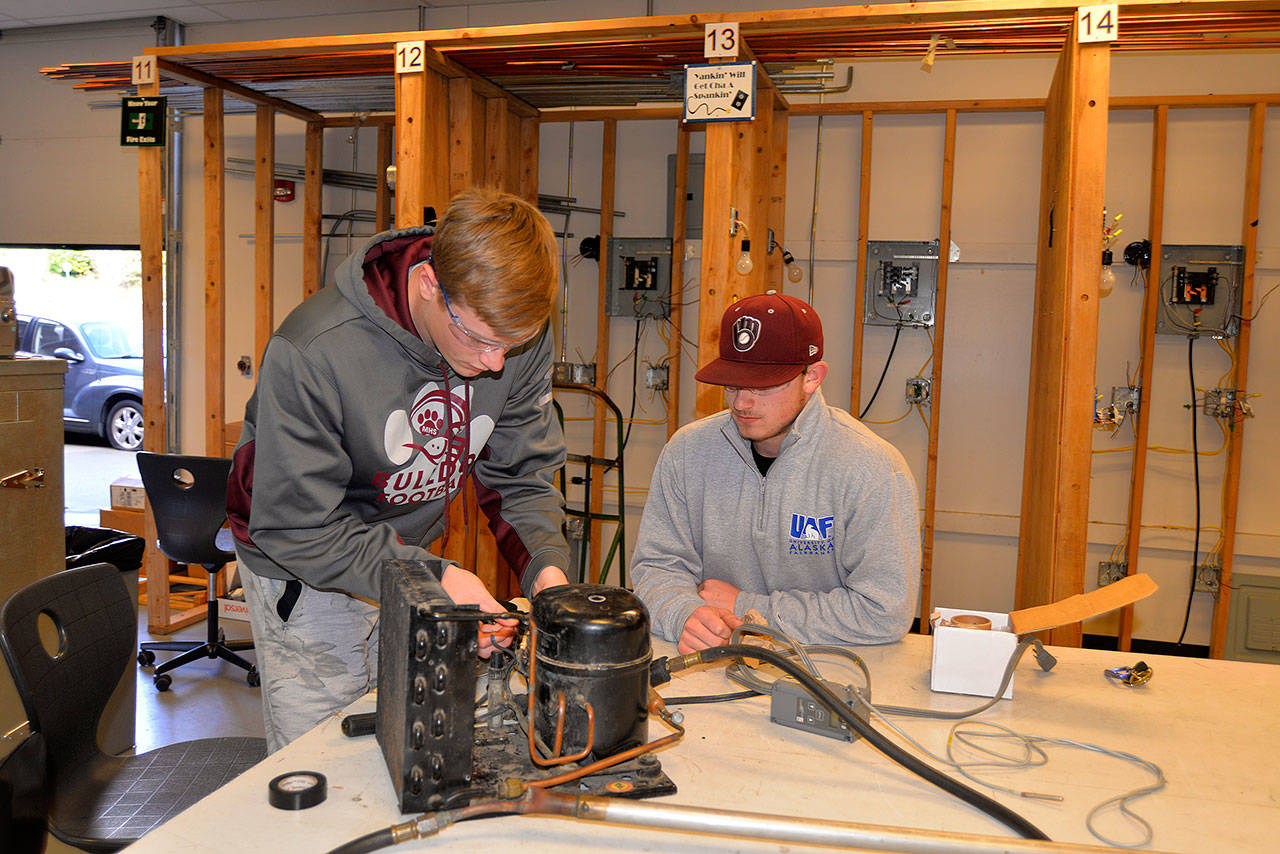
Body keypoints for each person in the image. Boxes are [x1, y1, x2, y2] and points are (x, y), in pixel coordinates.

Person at [227, 188, 570, 751]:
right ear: (431, 285)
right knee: (329, 761)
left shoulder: (509, 331)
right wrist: (437, 579)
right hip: (306, 568)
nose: (496, 364)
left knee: (412, 750)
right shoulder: (314, 349)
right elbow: (295, 526)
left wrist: (546, 571)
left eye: (516, 344)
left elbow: (521, 476)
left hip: (409, 557)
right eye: (480, 340)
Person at [631, 291, 920, 653]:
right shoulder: (687, 453)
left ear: (812, 377)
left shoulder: (871, 469)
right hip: (712, 662)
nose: (741, 403)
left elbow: (884, 611)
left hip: (827, 671)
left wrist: (748, 609)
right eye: (733, 383)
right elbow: (657, 566)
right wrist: (684, 614)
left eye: (763, 386)